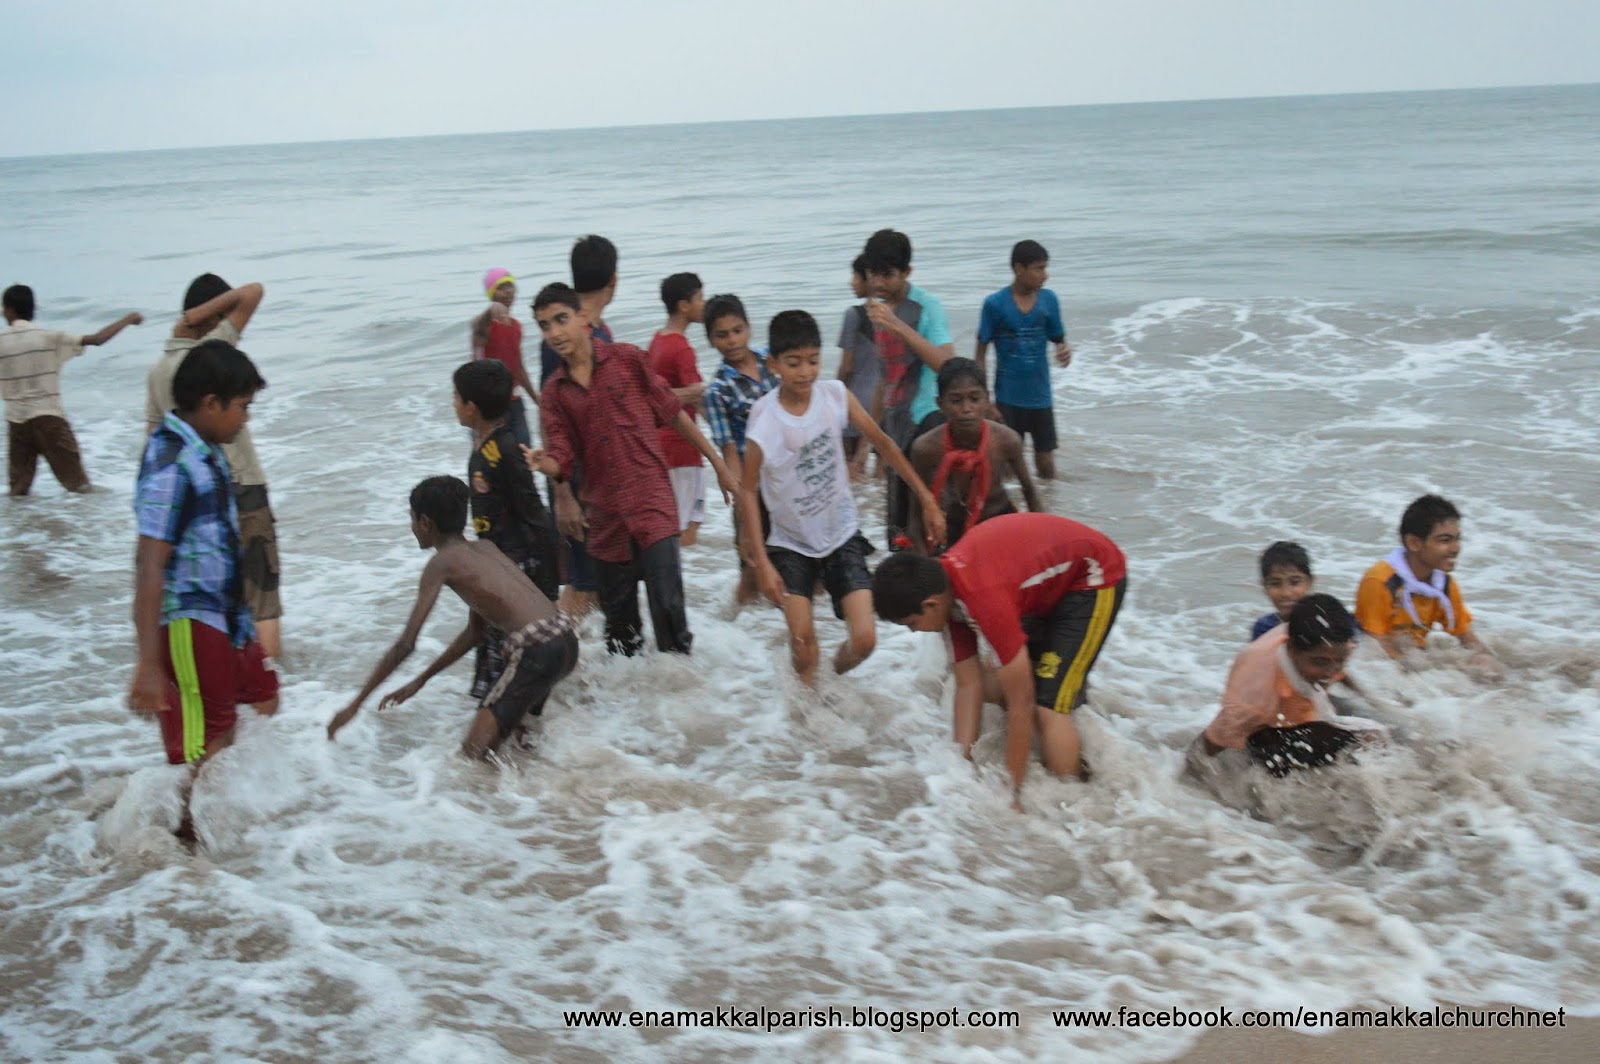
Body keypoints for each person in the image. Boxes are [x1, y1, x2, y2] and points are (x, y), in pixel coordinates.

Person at [526, 283, 739, 656]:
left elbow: (672, 412)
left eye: (561, 319)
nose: (555, 332)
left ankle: (683, 685)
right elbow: (562, 455)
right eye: (545, 326)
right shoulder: (554, 394)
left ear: (582, 317)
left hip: (652, 502)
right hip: (605, 518)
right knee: (621, 636)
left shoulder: (627, 360)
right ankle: (634, 695)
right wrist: (547, 465)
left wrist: (717, 462)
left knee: (669, 610)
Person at [739, 310, 946, 685]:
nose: (805, 372)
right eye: (794, 363)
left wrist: (927, 499)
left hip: (841, 533)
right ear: (773, 365)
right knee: (803, 646)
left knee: (865, 640)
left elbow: (885, 444)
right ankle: (806, 705)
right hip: (790, 543)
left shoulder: (834, 395)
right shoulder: (764, 419)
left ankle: (830, 682)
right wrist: (762, 562)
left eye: (813, 361)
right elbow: (747, 489)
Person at [872, 513, 1126, 807]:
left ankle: (1074, 806)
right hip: (1044, 584)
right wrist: (960, 768)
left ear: (930, 604)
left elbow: (1022, 702)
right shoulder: (946, 595)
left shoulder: (983, 599)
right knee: (998, 686)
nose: (914, 631)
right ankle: (1069, 750)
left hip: (1093, 575)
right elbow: (969, 685)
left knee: (1048, 706)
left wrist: (1010, 794)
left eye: (911, 624)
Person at [128, 340, 279, 836]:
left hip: (225, 615)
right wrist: (149, 664)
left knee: (256, 703)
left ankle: (217, 822)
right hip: (189, 618)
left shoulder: (205, 449)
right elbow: (149, 563)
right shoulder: (171, 461)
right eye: (243, 407)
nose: (246, 420)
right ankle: (186, 842)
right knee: (208, 737)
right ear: (211, 403)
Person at [326, 476, 577, 759]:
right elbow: (475, 633)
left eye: (412, 519)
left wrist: (355, 705)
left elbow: (405, 645)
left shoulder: (441, 563)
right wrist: (420, 680)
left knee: (472, 757)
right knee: (519, 744)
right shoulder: (487, 548)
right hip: (565, 639)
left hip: (537, 650)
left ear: (425, 523)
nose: (412, 528)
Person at [146, 275, 282, 661]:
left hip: (194, 494)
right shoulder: (212, 355)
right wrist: (194, 318)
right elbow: (253, 292)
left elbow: (154, 439)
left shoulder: (158, 370)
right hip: (242, 485)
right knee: (262, 595)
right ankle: (272, 679)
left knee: (216, 594)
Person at [454, 359, 560, 700]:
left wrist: (547, 571)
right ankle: (502, 710)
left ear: (471, 407)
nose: (453, 404)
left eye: (456, 397)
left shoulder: (504, 449)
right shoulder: (481, 448)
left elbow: (532, 510)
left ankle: (509, 714)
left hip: (517, 564)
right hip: (497, 562)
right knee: (497, 648)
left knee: (513, 652)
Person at [1190, 595, 1385, 781]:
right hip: (1265, 736)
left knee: (1376, 737)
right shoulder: (1255, 695)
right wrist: (1186, 785)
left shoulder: (1324, 644)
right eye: (1321, 662)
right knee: (1362, 742)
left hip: (1297, 709)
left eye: (1341, 660)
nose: (1332, 671)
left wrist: (1369, 698)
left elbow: (1335, 666)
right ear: (1291, 648)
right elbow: (1211, 741)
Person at [537, 236, 618, 620]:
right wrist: (563, 494)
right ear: (614, 281)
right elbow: (549, 417)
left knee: (597, 584)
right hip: (575, 480)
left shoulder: (597, 334)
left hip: (598, 481)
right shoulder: (570, 337)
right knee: (582, 588)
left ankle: (586, 656)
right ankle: (550, 648)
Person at [860, 228, 955, 547]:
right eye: (872, 274)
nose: (878, 283)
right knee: (897, 532)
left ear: (907, 272)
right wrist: (867, 443)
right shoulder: (877, 310)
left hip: (928, 421)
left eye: (887, 275)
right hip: (895, 428)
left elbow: (947, 365)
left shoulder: (926, 307)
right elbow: (884, 377)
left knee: (932, 524)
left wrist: (897, 325)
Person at [2, 284, 142, 496]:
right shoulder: (50, 338)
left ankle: (21, 520)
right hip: (50, 421)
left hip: (17, 424)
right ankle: (89, 517)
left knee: (18, 493)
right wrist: (128, 319)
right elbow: (97, 339)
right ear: (32, 310)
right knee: (80, 488)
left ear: (10, 310)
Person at [906, 358, 1040, 550]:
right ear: (940, 404)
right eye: (956, 401)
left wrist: (1039, 542)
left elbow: (1030, 493)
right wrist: (924, 560)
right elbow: (915, 515)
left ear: (987, 401)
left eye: (975, 399)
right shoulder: (926, 449)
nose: (966, 409)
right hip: (951, 527)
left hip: (997, 522)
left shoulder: (1007, 440)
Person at [1355, 494, 1497, 673]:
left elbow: (1467, 637)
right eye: (1445, 540)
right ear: (1414, 543)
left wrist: (1494, 665)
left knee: (1485, 667)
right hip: (1373, 663)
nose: (1456, 548)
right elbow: (1375, 646)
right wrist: (1419, 675)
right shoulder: (1380, 582)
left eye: (1457, 539)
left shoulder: (1444, 585)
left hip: (1414, 655)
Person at [701, 293, 778, 607]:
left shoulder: (772, 360)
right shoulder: (717, 391)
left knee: (803, 559)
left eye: (737, 330)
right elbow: (730, 451)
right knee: (752, 565)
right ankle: (741, 623)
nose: (732, 340)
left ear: (748, 328)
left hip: (787, 476)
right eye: (722, 335)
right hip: (753, 482)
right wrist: (742, 509)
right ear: (710, 340)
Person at [974, 239, 1071, 480]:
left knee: (1046, 463)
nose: (1045, 275)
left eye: (1045, 268)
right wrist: (985, 400)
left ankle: (1048, 500)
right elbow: (980, 353)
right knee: (1007, 465)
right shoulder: (995, 304)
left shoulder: (1049, 300)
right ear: (1019, 269)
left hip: (1041, 397)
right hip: (1007, 399)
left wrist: (1064, 351)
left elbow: (1058, 339)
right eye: (1039, 269)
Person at [648, 272, 708, 547]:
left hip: (661, 446)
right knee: (687, 530)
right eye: (700, 298)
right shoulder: (682, 349)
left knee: (671, 523)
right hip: (682, 449)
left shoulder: (657, 340)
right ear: (684, 306)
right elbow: (695, 393)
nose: (704, 304)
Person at [470, 268, 537, 449]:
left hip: (515, 402)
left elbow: (519, 368)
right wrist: (490, 311)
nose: (508, 291)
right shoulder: (483, 326)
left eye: (510, 286)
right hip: (490, 406)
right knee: (493, 457)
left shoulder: (516, 326)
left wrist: (538, 400)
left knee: (524, 450)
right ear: (491, 294)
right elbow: (475, 326)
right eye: (501, 287)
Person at [836, 254, 883, 478]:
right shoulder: (895, 316)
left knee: (850, 472)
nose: (851, 282)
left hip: (857, 402)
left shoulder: (853, 315)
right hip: (884, 405)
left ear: (868, 279)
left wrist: (833, 396)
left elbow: (846, 367)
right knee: (881, 474)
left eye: (855, 276)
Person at [1251, 541, 1315, 641]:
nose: (1286, 593)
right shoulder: (1263, 629)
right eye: (1275, 584)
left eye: (1294, 582)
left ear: (1309, 582)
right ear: (1264, 587)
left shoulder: (1325, 625)